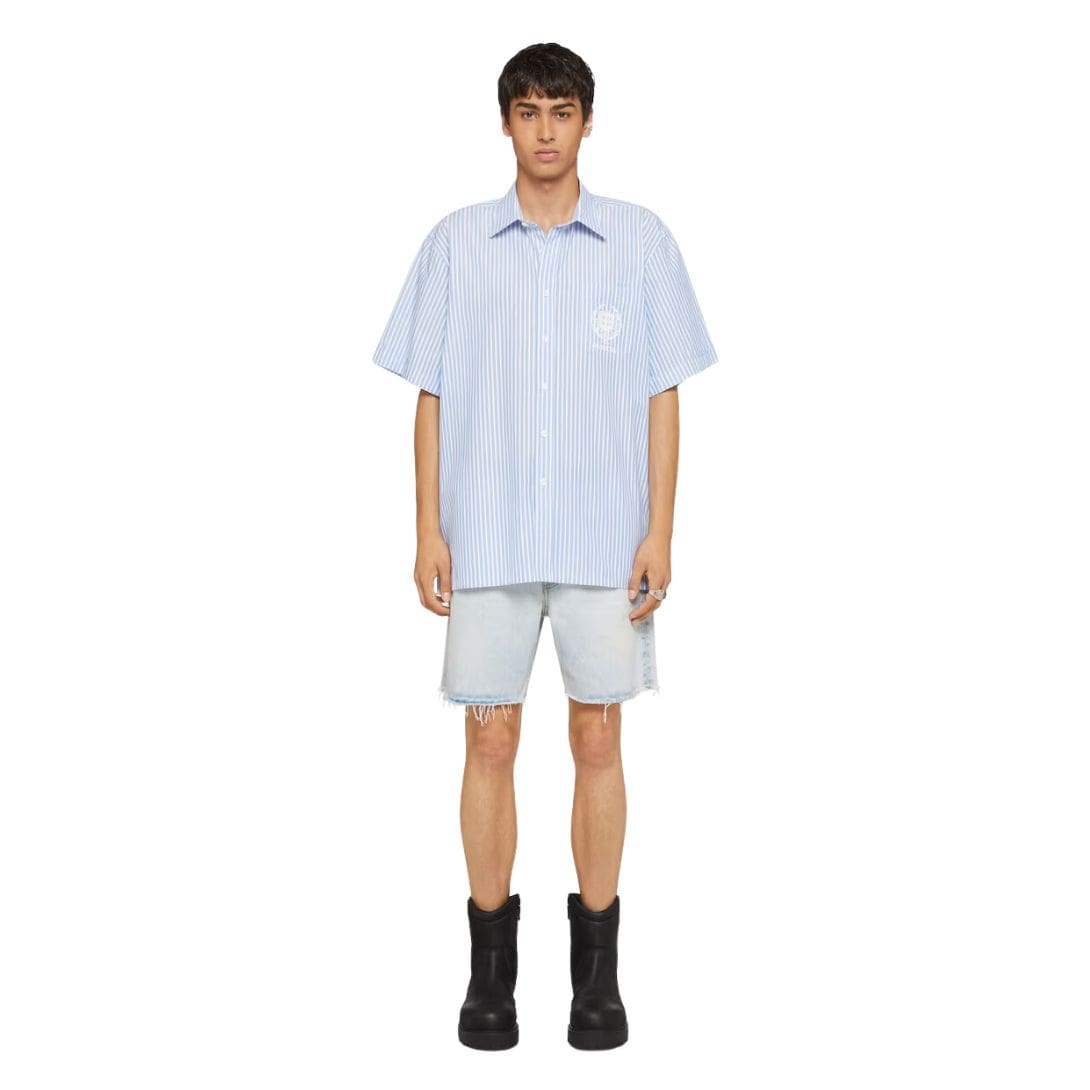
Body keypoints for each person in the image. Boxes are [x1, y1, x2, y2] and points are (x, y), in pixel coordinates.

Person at [372, 42, 718, 1051]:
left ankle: (597, 980)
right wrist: (427, 528)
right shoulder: (456, 243)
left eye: (562, 111)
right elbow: (431, 393)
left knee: (598, 738)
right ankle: (489, 978)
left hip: (604, 540)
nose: (546, 131)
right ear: (505, 123)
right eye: (528, 111)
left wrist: (660, 530)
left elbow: (663, 393)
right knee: (488, 739)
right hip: (485, 537)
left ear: (588, 121)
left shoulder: (641, 242)